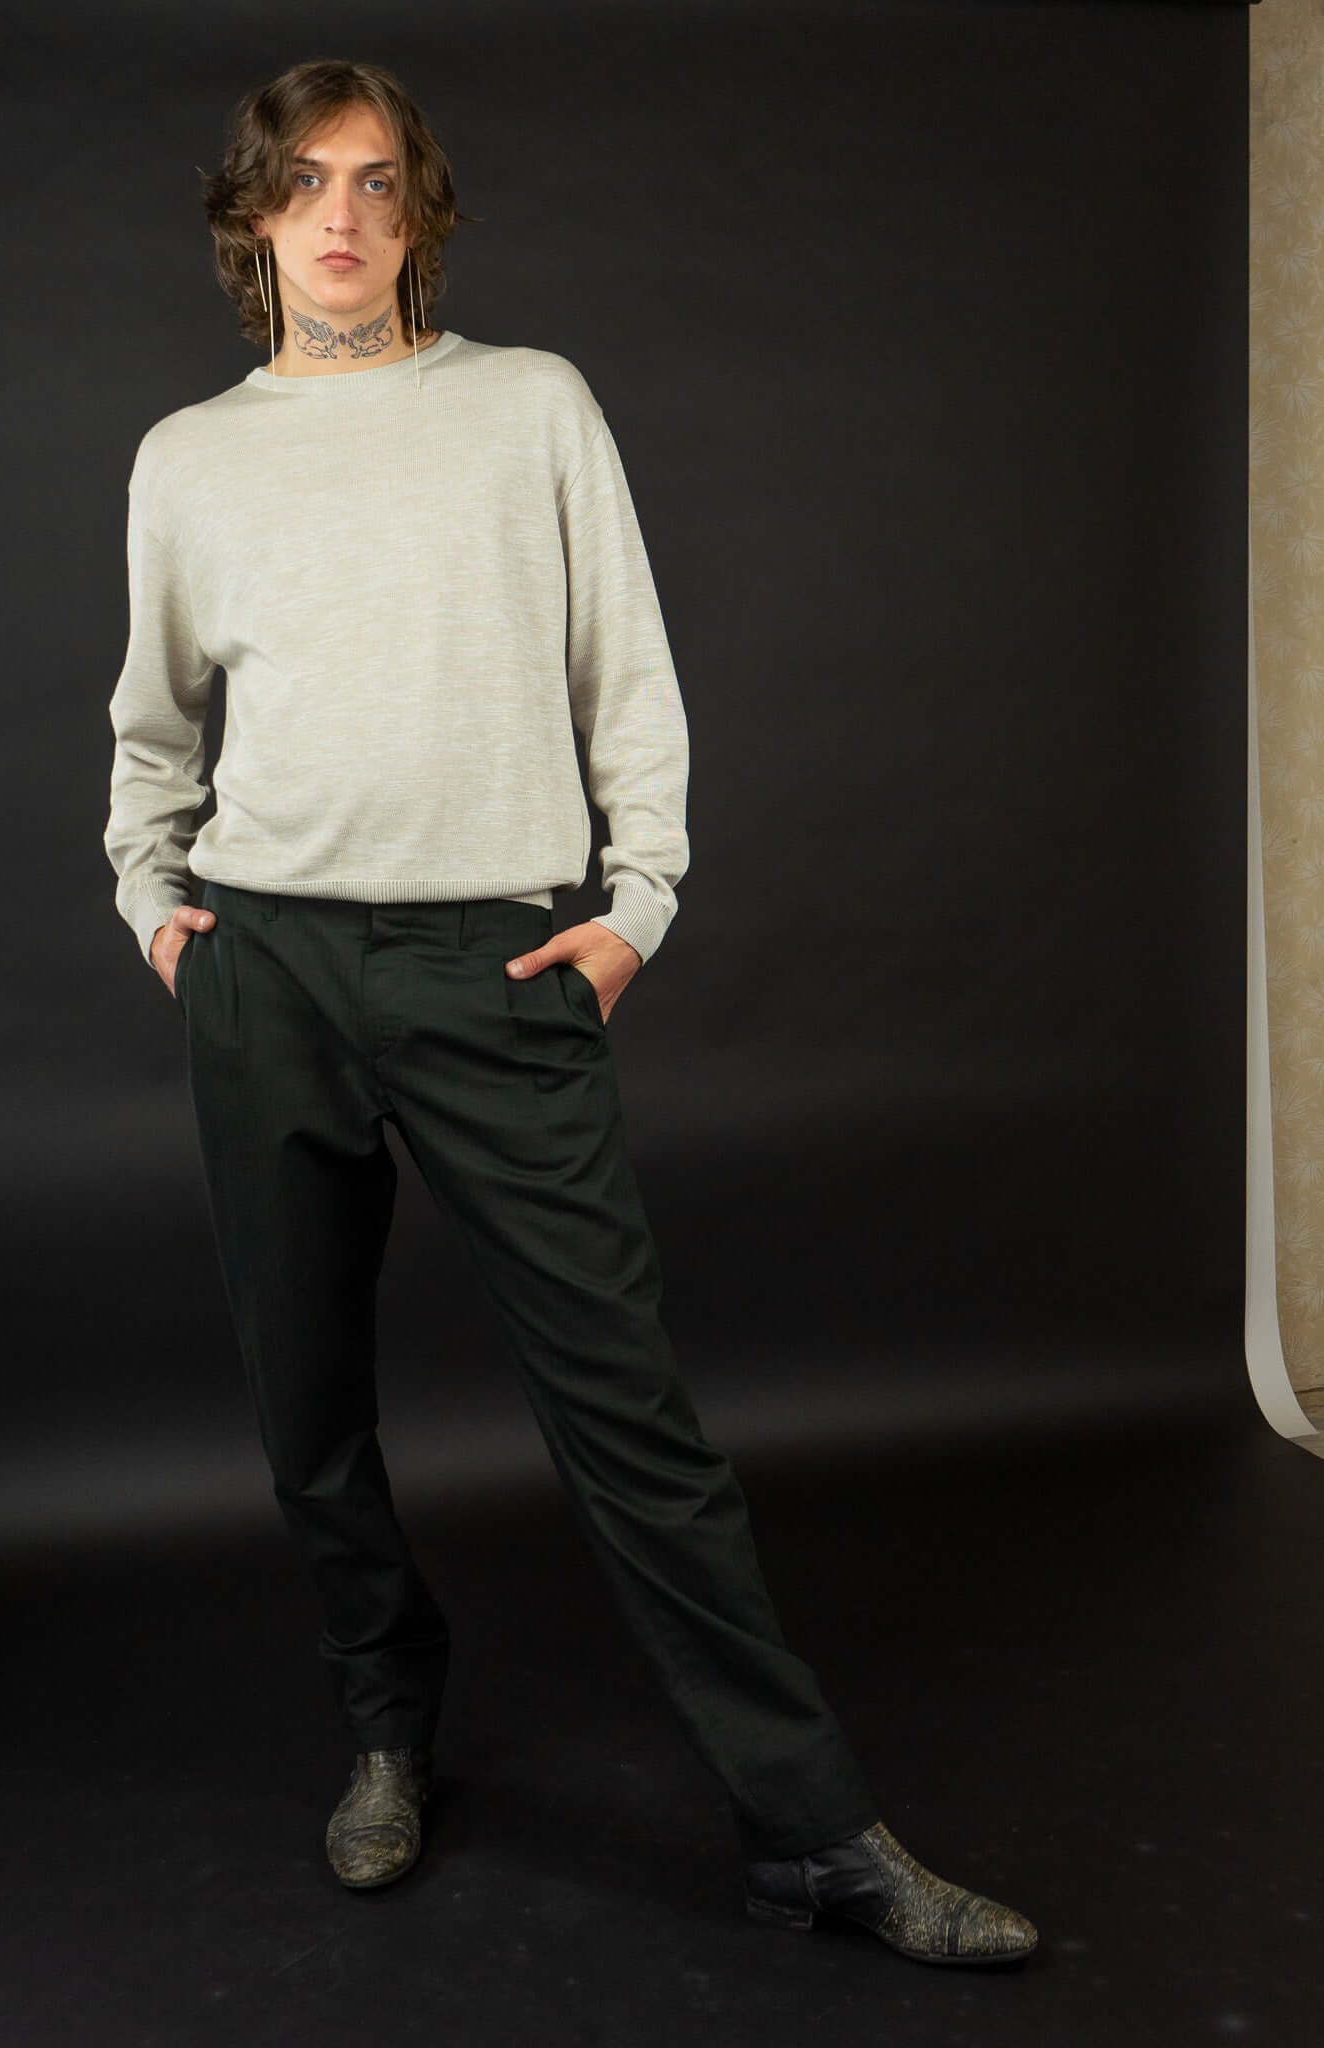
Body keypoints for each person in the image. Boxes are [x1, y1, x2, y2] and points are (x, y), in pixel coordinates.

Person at [102, 57, 1037, 1968]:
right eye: (304, 184)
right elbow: (153, 725)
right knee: (306, 1409)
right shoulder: (188, 456)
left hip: (497, 970)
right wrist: (156, 899)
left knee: (631, 1419)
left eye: (376, 182)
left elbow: (632, 675)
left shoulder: (531, 404)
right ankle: (387, 1727)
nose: (342, 217)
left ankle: (815, 1832)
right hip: (266, 970)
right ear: (251, 217)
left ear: (420, 213)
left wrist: (640, 906)